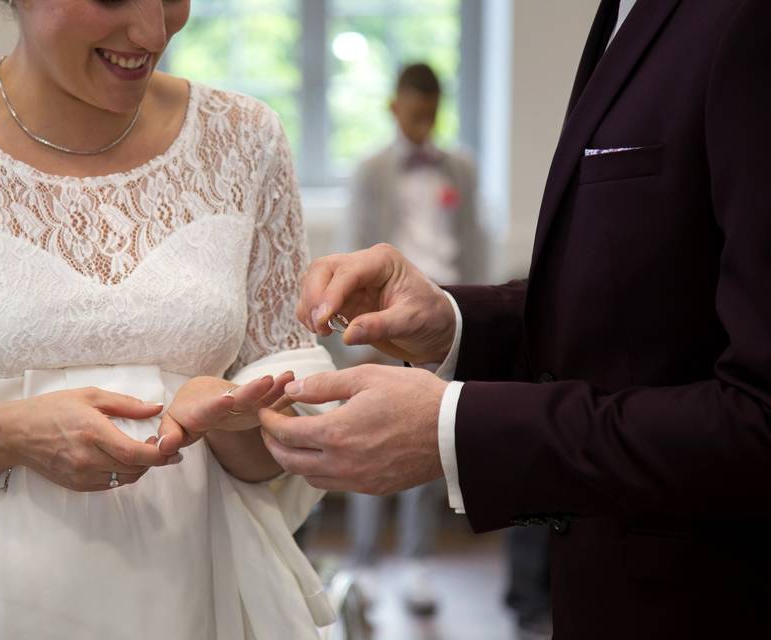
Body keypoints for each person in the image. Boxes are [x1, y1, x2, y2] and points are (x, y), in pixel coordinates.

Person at [0, 1, 337, 638]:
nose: (152, 31)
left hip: (197, 593)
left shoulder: (247, 139)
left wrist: (226, 421)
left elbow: (281, 452)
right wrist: (3, 436)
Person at [260, 0, 771, 637]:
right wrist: (452, 320)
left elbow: (759, 418)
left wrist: (456, 427)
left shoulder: (746, 21)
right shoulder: (621, 16)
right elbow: (639, 312)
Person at [345, 62, 484, 616]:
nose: (424, 124)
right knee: (365, 437)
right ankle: (362, 561)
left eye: (432, 114)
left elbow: (473, 243)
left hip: (444, 316)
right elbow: (358, 246)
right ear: (394, 107)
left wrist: (471, 319)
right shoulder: (371, 169)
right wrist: (363, 330)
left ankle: (418, 560)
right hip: (385, 322)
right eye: (415, 112)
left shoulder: (462, 170)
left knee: (429, 440)